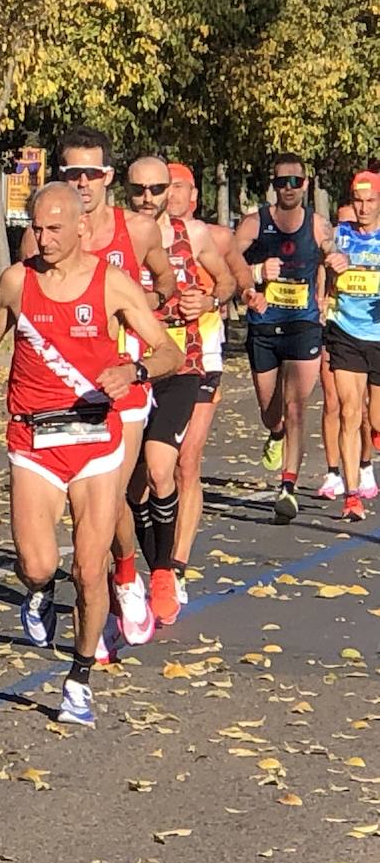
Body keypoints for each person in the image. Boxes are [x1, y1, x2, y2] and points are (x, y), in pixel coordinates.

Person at [0, 182, 182, 727]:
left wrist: (133, 371)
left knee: (90, 570)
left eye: (54, 229)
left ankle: (79, 679)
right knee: (38, 563)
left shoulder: (112, 284)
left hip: (94, 440)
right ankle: (39, 592)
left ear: (80, 227)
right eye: (36, 228)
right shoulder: (18, 282)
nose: (42, 238)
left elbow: (169, 351)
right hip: (35, 439)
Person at [19, 126, 177, 653]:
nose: (81, 182)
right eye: (71, 173)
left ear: (108, 176)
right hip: (58, 402)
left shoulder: (138, 229)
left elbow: (166, 286)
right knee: (85, 517)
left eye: (91, 173)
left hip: (123, 390)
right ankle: (93, 588)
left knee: (113, 502)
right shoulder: (40, 236)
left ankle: (124, 576)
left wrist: (152, 316)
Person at [123, 158, 235, 628]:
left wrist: (209, 299)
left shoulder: (195, 236)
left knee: (167, 465)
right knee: (132, 483)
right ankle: (140, 571)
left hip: (183, 363)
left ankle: (167, 572)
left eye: (157, 189)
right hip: (127, 367)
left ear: (171, 191)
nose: (149, 198)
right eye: (139, 189)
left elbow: (227, 278)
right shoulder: (114, 237)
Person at [235, 154, 348, 522]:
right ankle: (276, 432)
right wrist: (253, 274)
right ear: (273, 184)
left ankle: (288, 487)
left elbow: (333, 253)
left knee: (297, 405)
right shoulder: (256, 223)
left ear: (306, 185)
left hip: (304, 325)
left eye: (295, 182)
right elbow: (223, 262)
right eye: (282, 182)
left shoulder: (317, 226)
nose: (288, 188)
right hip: (264, 326)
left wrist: (338, 261)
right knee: (272, 411)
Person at [165, 163, 252, 604]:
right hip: (150, 360)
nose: (169, 194)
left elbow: (237, 278)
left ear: (193, 194)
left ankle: (176, 567)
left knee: (187, 461)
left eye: (177, 187)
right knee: (146, 473)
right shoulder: (141, 234)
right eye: (163, 187)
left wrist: (216, 297)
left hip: (204, 356)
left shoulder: (212, 237)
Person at [325, 171, 380, 519]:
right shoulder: (339, 236)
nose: (362, 207)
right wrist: (332, 265)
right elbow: (326, 259)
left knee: (375, 417)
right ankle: (352, 495)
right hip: (345, 330)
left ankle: (375, 433)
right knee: (349, 411)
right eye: (357, 201)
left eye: (370, 201)